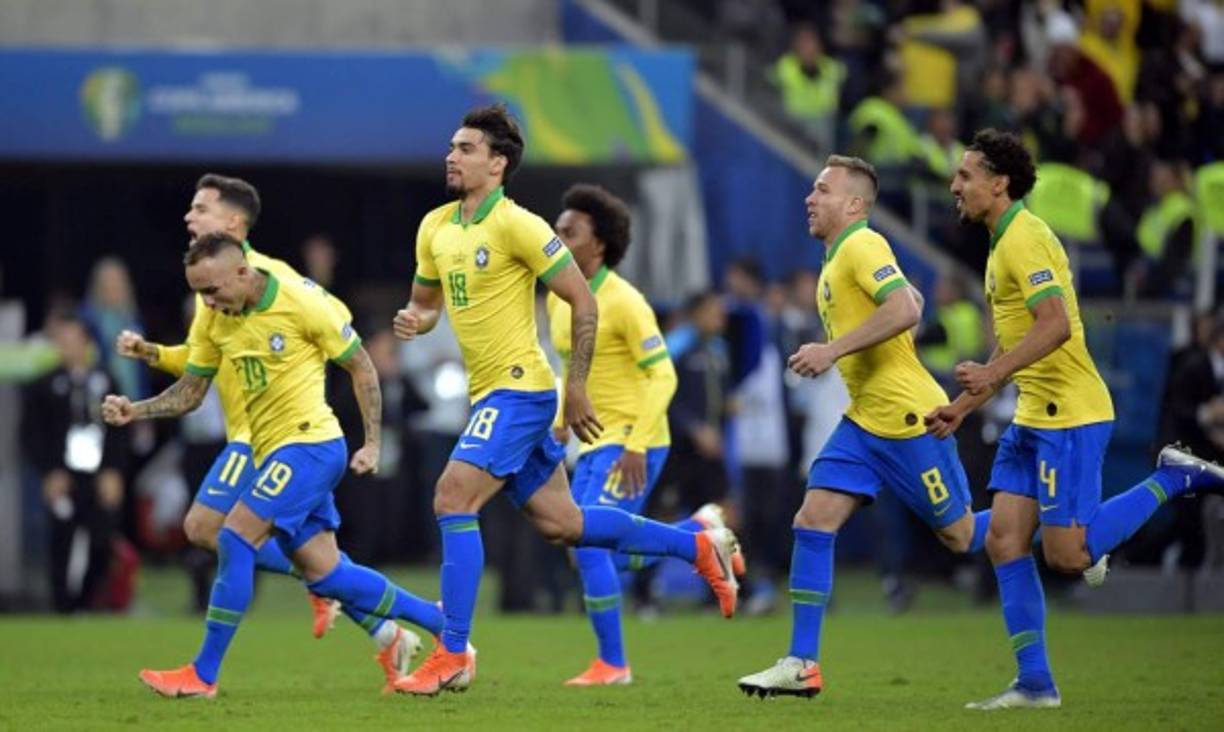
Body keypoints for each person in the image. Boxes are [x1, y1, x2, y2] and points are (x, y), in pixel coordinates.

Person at [391, 104, 741, 696]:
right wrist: (414, 320)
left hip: (521, 390)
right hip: (491, 394)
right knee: (566, 525)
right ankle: (697, 545)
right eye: (452, 147)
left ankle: (452, 652)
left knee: (452, 497)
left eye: (466, 149)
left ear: (498, 164)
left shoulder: (522, 227)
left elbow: (585, 300)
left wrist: (574, 386)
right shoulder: (435, 227)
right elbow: (426, 304)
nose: (452, 156)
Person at [931, 129, 1224, 710]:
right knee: (1006, 542)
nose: (954, 185)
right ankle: (1035, 684)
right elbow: (1016, 338)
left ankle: (1174, 477)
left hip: (1069, 413)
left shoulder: (1024, 239)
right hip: (1032, 414)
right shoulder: (1002, 243)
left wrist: (991, 375)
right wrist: (964, 405)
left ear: (999, 183)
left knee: (1069, 556)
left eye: (965, 175)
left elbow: (1056, 325)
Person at [102, 233, 448, 698]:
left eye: (213, 290)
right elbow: (191, 391)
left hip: (310, 446)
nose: (208, 302)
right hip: (272, 451)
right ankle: (439, 622)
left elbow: (362, 366)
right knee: (327, 574)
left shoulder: (298, 299)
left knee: (232, 535)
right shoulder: (216, 316)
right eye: (199, 292)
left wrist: (372, 443)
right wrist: (136, 410)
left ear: (242, 271)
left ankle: (203, 674)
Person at [736, 155, 993, 699]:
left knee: (963, 536)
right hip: (863, 422)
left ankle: (1066, 524)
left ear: (854, 204)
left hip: (908, 420)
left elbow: (904, 309)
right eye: (812, 189)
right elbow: (910, 300)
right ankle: (802, 663)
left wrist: (831, 350)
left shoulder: (861, 244)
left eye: (822, 190)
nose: (810, 198)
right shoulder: (838, 258)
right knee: (812, 520)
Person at [546, 183, 734, 686]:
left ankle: (613, 664)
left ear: (598, 243)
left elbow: (662, 374)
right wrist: (560, 424)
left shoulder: (626, 301)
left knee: (590, 547)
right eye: (557, 230)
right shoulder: (559, 299)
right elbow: (569, 369)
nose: (558, 239)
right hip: (590, 441)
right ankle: (697, 535)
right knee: (582, 548)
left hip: (633, 439)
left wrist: (636, 444)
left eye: (570, 232)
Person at [23, 310, 128, 612]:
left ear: (86, 343)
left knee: (101, 537)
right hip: (63, 475)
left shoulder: (106, 381)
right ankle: (63, 606)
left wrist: (113, 471)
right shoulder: (44, 385)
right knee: (62, 536)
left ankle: (89, 599)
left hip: (98, 474)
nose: (68, 346)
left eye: (73, 339)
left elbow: (121, 431)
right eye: (62, 341)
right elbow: (32, 434)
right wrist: (49, 472)